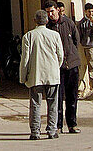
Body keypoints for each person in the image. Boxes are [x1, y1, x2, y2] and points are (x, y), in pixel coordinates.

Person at [20, 9, 64, 141]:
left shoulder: (28, 36)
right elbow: (60, 55)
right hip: (52, 74)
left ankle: (35, 132)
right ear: (47, 21)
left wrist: (23, 76)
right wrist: (56, 67)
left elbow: (25, 59)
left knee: (35, 104)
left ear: (35, 21)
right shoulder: (54, 35)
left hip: (36, 75)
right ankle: (51, 130)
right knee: (53, 103)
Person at [45, 0, 81, 134]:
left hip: (72, 64)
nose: (50, 14)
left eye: (52, 11)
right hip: (56, 67)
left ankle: (72, 124)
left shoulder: (68, 23)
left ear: (57, 10)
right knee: (57, 97)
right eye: (48, 12)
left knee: (72, 97)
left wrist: (70, 55)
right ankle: (58, 125)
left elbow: (76, 41)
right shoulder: (47, 27)